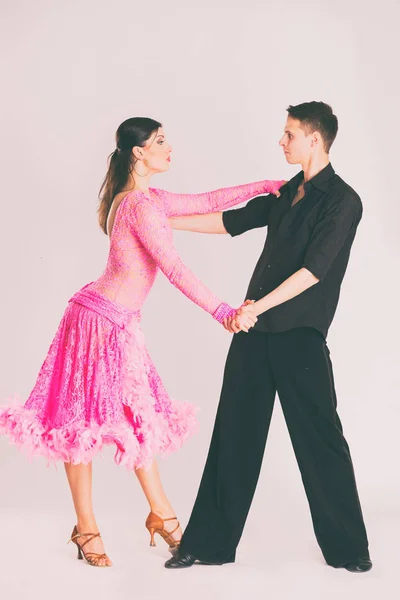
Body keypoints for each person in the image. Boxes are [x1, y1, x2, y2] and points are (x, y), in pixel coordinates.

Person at [0, 117, 283, 567]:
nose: (170, 148)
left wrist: (266, 184)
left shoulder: (145, 198)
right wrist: (222, 311)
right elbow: (173, 268)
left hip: (117, 322)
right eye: (161, 142)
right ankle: (89, 528)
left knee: (139, 418)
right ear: (139, 152)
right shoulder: (138, 207)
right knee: (82, 424)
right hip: (96, 322)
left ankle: (161, 513)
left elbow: (207, 200)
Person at [165, 102, 372, 573]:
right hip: (254, 335)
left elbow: (314, 271)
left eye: (289, 134)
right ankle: (209, 545)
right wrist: (159, 222)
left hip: (297, 335)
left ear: (314, 139)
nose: (282, 142)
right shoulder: (285, 192)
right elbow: (230, 222)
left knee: (321, 441)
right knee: (233, 436)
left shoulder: (343, 200)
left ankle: (349, 550)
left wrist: (256, 307)